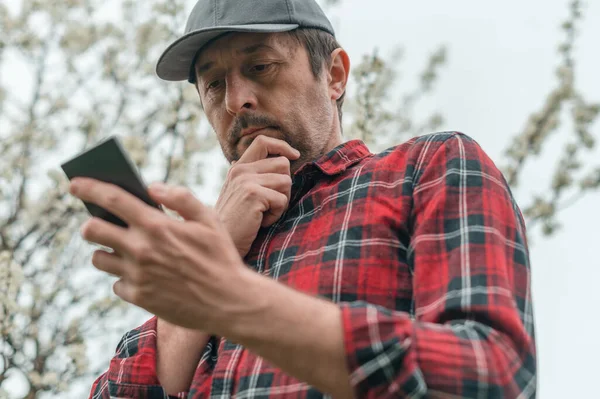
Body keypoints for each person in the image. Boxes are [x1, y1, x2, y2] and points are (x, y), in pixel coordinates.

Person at [77, 0, 536, 397]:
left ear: (334, 75)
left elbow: (490, 374)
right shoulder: (213, 247)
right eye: (213, 84)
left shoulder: (427, 168)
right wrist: (214, 252)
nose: (236, 100)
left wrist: (233, 300)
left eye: (259, 67)